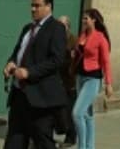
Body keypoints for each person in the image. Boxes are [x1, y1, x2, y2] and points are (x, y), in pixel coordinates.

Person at [2, 0, 68, 149]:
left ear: (48, 6)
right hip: (19, 95)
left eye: (37, 5)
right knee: (14, 140)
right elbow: (17, 52)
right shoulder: (27, 28)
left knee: (42, 141)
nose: (32, 9)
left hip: (41, 99)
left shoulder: (56, 28)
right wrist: (10, 63)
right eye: (32, 5)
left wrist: (29, 72)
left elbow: (57, 60)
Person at [73, 8, 113, 149]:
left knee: (77, 114)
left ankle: (82, 147)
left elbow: (106, 62)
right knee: (87, 115)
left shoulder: (100, 37)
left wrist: (109, 83)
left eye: (86, 19)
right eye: (83, 18)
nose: (83, 21)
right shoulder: (83, 35)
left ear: (94, 20)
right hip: (80, 76)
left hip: (93, 79)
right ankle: (90, 147)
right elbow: (80, 52)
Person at [55, 16, 78, 147]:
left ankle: (70, 138)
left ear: (68, 27)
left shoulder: (73, 40)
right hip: (55, 82)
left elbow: (74, 61)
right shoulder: (54, 39)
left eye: (62, 25)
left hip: (69, 82)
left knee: (69, 111)